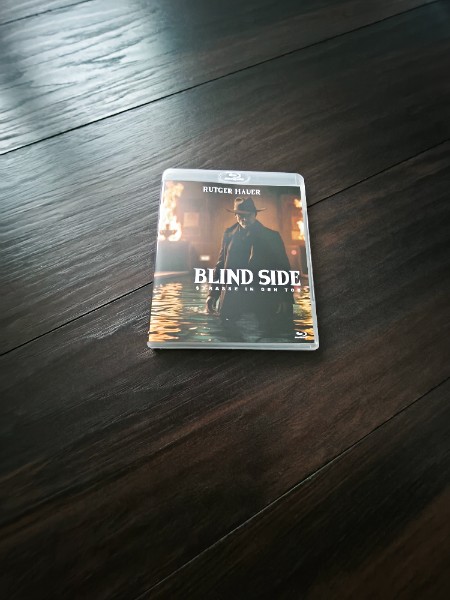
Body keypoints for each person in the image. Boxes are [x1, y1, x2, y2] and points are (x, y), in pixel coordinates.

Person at [206, 197, 294, 339]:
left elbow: (284, 269)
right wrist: (212, 294)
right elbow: (220, 265)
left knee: (267, 337)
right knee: (227, 337)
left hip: (261, 301)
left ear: (255, 214)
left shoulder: (272, 236)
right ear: (235, 215)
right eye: (240, 215)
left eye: (248, 215)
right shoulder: (228, 234)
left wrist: (286, 298)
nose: (244, 219)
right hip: (231, 301)